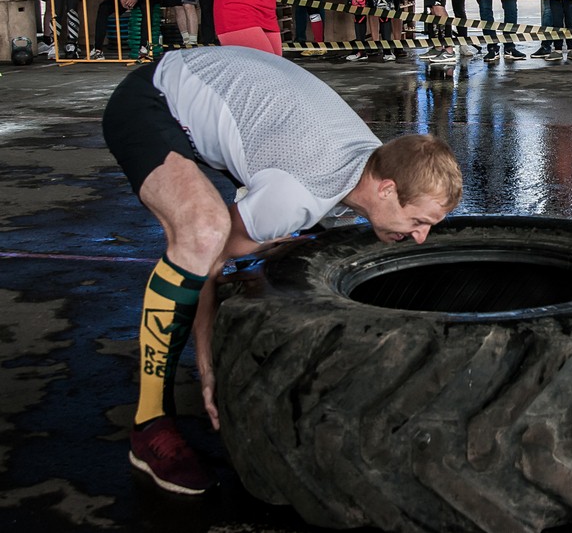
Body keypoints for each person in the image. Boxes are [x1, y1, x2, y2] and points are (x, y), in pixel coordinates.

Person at [102, 45, 462, 495]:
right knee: (204, 229)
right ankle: (150, 425)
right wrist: (208, 358)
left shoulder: (375, 159)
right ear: (387, 189)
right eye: (418, 221)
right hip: (151, 101)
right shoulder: (299, 192)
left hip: (227, 88)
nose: (420, 236)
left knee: (296, 236)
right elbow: (212, 258)